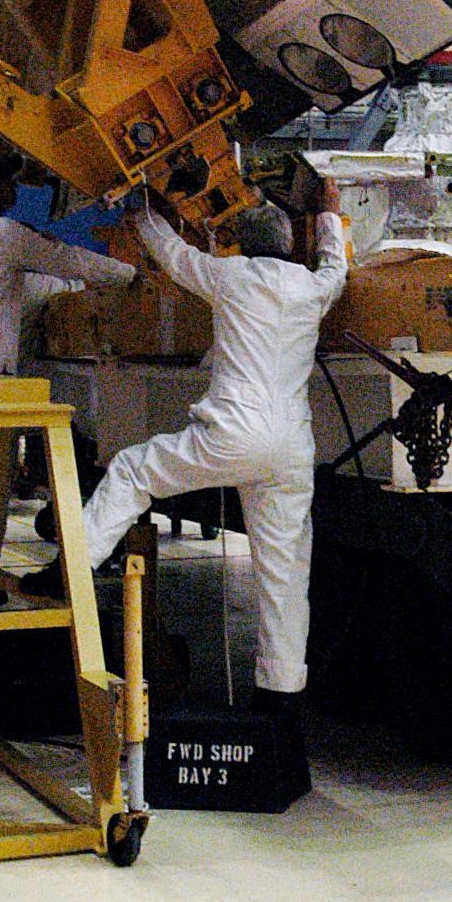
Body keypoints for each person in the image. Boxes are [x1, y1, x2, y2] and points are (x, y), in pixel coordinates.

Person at [67, 181, 348, 713]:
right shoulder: (314, 289)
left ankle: (74, 567)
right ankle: (281, 694)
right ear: (290, 245)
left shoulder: (229, 275)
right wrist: (329, 215)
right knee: (285, 573)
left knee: (131, 470)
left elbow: (172, 254)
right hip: (290, 447)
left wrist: (144, 209)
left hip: (230, 435)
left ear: (243, 243)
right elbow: (337, 267)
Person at [0, 149, 135, 594]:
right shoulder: (4, 236)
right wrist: (130, 273)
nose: (13, 195)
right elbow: (71, 261)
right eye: (9, 186)